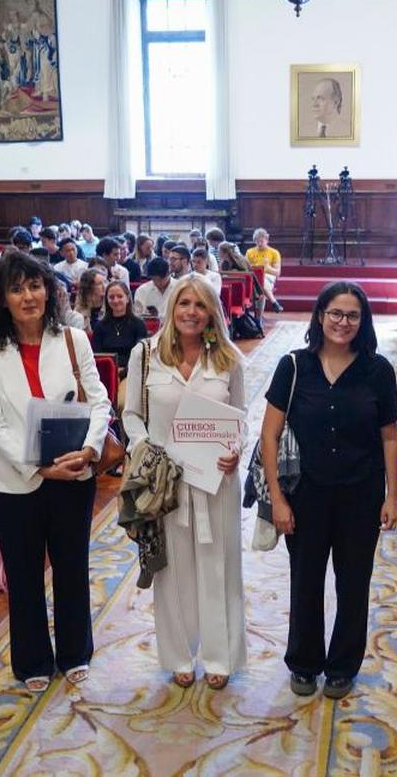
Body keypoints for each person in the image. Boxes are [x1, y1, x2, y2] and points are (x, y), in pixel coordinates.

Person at [0, 251, 111, 692]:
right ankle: (32, 658)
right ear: (2, 299)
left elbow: (101, 401)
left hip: (73, 473)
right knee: (24, 573)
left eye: (35, 285)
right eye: (16, 288)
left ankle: (75, 652)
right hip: (14, 481)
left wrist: (88, 452)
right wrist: (37, 466)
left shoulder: (73, 338)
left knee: (71, 566)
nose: (28, 296)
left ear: (49, 290)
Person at [261, 281, 397, 699]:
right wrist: (277, 499)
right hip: (306, 493)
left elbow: (389, 437)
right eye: (336, 313)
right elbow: (270, 436)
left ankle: (342, 666)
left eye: (352, 315)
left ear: (363, 321)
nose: (343, 322)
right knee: (305, 580)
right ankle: (303, 662)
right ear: (320, 316)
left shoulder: (378, 370)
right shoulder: (294, 366)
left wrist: (392, 495)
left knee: (354, 582)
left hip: (361, 493)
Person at [123, 274, 246, 690]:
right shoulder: (146, 355)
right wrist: (146, 449)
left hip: (217, 481)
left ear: (212, 312)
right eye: (184, 304)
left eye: (200, 305)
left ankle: (219, 656)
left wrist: (236, 450)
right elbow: (131, 415)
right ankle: (178, 655)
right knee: (171, 569)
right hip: (166, 483)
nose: (191, 312)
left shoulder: (229, 359)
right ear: (171, 308)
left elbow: (242, 418)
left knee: (218, 566)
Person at [90, 279, 148, 388]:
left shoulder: (139, 325)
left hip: (131, 374)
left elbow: (141, 356)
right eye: (111, 297)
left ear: (127, 298)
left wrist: (122, 372)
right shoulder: (100, 326)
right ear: (106, 300)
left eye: (120, 296)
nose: (116, 300)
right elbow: (96, 355)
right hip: (104, 374)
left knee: (122, 401)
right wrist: (111, 372)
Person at [246, 228, 284, 312]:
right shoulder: (249, 252)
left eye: (261, 241)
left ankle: (259, 317)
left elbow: (277, 273)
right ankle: (274, 303)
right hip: (253, 276)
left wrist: (267, 268)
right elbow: (246, 268)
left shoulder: (274, 252)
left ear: (267, 240)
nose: (259, 244)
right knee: (260, 288)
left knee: (261, 284)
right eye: (257, 241)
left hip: (268, 276)